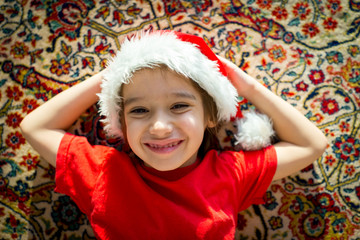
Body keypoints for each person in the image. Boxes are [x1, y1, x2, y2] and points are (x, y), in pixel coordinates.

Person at [20, 30, 327, 240]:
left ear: (210, 116)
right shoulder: (104, 173)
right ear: (122, 124)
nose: (159, 128)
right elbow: (34, 127)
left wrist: (246, 86)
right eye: (139, 111)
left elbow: (312, 144)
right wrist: (113, 74)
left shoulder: (230, 174)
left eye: (179, 106)